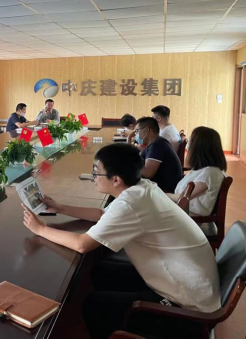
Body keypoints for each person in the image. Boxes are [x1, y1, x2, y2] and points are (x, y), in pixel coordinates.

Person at [21, 143, 220, 338]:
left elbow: (82, 244)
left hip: (188, 308)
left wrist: (40, 229)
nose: (93, 176)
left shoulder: (131, 204)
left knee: (94, 306)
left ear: (115, 179)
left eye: (96, 172)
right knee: (101, 271)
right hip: (184, 282)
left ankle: (121, 330)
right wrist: (61, 208)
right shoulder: (143, 187)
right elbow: (103, 214)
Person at [168, 127, 227, 216]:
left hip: (188, 216)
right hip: (182, 211)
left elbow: (184, 198)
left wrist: (163, 195)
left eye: (190, 141)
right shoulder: (203, 169)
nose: (188, 144)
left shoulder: (210, 173)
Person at [129, 117, 182, 193]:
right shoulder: (157, 143)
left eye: (137, 131)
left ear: (147, 130)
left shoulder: (157, 145)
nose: (136, 135)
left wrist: (129, 166)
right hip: (159, 187)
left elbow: (148, 173)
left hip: (165, 191)